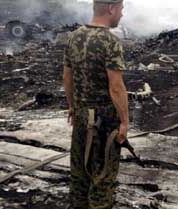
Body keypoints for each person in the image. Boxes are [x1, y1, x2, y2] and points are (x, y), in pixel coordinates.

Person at [62, 0, 128, 208]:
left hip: (81, 118)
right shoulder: (110, 41)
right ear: (111, 9)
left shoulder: (74, 37)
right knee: (102, 178)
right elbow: (116, 87)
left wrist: (72, 106)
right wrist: (124, 122)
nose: (122, 14)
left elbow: (67, 76)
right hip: (104, 123)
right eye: (121, 9)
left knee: (79, 175)